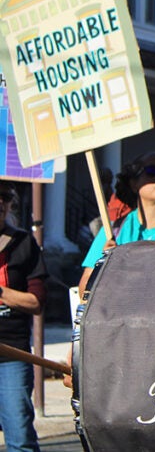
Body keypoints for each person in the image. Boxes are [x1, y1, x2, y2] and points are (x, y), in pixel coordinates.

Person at [78, 152, 155, 291]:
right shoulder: (113, 230)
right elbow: (84, 290)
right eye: (151, 171)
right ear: (134, 184)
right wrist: (103, 265)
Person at [0, 180, 46, 452]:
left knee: (20, 437)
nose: (0, 201)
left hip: (12, 354)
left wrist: (2, 293)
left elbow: (36, 302)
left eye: (5, 196)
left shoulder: (23, 242)